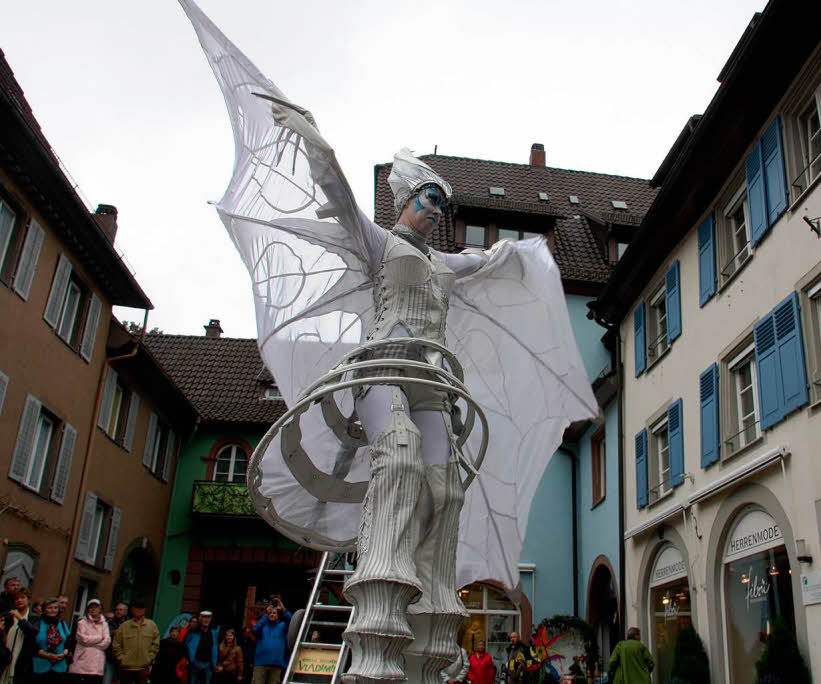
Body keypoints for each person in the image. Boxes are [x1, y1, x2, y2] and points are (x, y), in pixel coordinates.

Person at [181, 6, 598, 683]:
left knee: (446, 486)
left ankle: (434, 634)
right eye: (425, 200)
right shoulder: (381, 245)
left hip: (433, 375)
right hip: (383, 369)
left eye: (440, 205)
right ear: (404, 201)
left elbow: (484, 264)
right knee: (399, 457)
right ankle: (375, 640)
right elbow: (342, 201)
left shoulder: (442, 266)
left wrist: (526, 252)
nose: (434, 212)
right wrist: (315, 144)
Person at [23, 597, 71, 684]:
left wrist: (64, 653)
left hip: (59, 666)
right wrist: (46, 655)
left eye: (55, 608)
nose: (53, 610)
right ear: (44, 609)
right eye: (50, 608)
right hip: (40, 665)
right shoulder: (37, 622)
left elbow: (68, 641)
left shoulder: (62, 624)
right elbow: (30, 642)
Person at [112, 601, 159, 684]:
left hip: (143, 668)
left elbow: (155, 644)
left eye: (140, 608)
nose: (138, 611)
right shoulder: (124, 626)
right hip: (126, 667)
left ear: (144, 610)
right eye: (136, 608)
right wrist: (121, 658)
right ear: (132, 610)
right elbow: (116, 644)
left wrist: (149, 658)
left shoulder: (152, 625)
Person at [68, 599, 111, 684]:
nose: (93, 609)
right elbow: (83, 639)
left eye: (96, 607)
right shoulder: (82, 622)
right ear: (88, 609)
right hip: (82, 663)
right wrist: (99, 637)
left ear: (100, 609)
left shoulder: (105, 624)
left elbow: (107, 642)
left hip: (97, 664)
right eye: (91, 607)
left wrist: (90, 642)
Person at [250, 599, 290, 684]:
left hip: (276, 664)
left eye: (274, 613)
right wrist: (265, 615)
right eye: (270, 613)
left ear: (278, 616)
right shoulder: (262, 626)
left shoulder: (282, 626)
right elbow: (255, 630)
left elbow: (291, 621)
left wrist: (284, 609)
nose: (272, 614)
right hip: (261, 663)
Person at [2, 589, 33, 684]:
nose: (19, 600)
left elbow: (32, 632)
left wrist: (19, 618)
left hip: (22, 661)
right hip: (5, 658)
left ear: (28, 600)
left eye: (22, 597)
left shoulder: (34, 618)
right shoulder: (7, 617)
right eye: (16, 599)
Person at [183, 611, 219, 684]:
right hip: (195, 663)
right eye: (204, 617)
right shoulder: (192, 631)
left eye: (208, 617)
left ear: (211, 619)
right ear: (200, 618)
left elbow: (216, 647)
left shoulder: (214, 632)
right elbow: (184, 645)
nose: (206, 620)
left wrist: (215, 663)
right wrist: (187, 659)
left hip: (208, 664)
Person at [102, 604, 127, 684]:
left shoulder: (129, 624)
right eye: (116, 610)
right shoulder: (109, 623)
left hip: (124, 659)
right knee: (107, 680)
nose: (118, 612)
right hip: (111, 657)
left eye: (120, 610)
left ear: (125, 612)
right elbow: (106, 634)